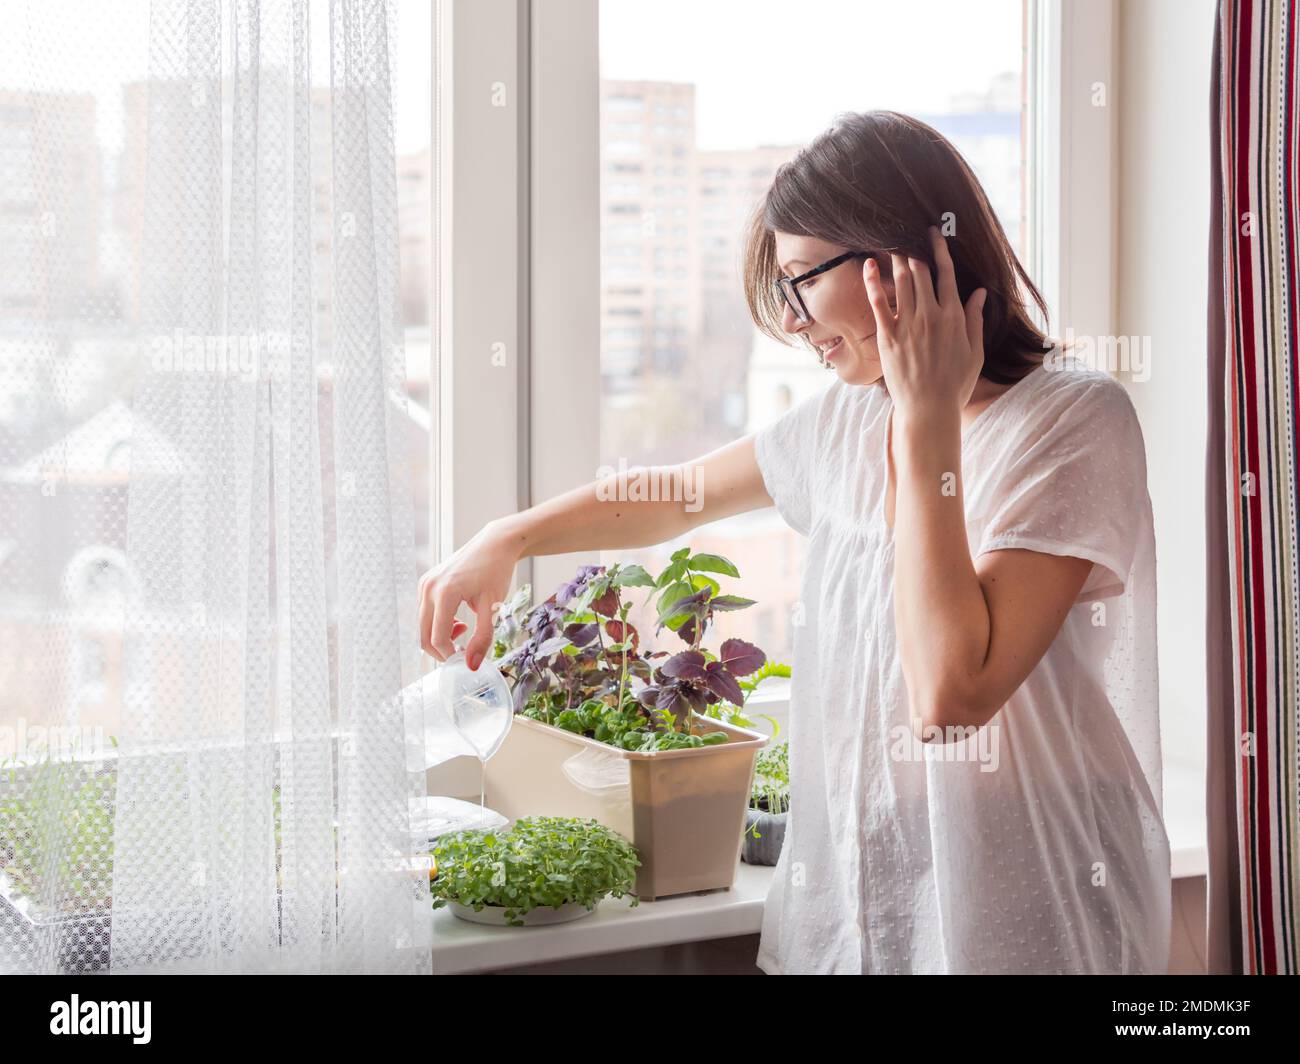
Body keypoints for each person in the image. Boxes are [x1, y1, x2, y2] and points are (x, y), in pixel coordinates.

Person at [417, 110, 1170, 975]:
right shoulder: (851, 418)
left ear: (906, 259)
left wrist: (927, 427)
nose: (791, 319)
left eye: (802, 278)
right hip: (871, 888)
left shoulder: (1073, 419)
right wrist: (507, 536)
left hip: (1034, 885)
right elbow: (676, 497)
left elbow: (952, 698)